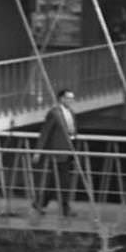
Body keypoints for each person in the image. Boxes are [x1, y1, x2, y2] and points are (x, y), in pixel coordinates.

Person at [33, 87, 78, 219]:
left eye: (72, 98)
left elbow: (73, 131)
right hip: (58, 152)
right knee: (63, 181)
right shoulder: (54, 113)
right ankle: (65, 209)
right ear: (61, 99)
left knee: (55, 181)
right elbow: (45, 132)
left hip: (68, 151)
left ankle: (39, 203)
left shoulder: (71, 113)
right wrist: (38, 151)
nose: (71, 100)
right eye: (68, 98)